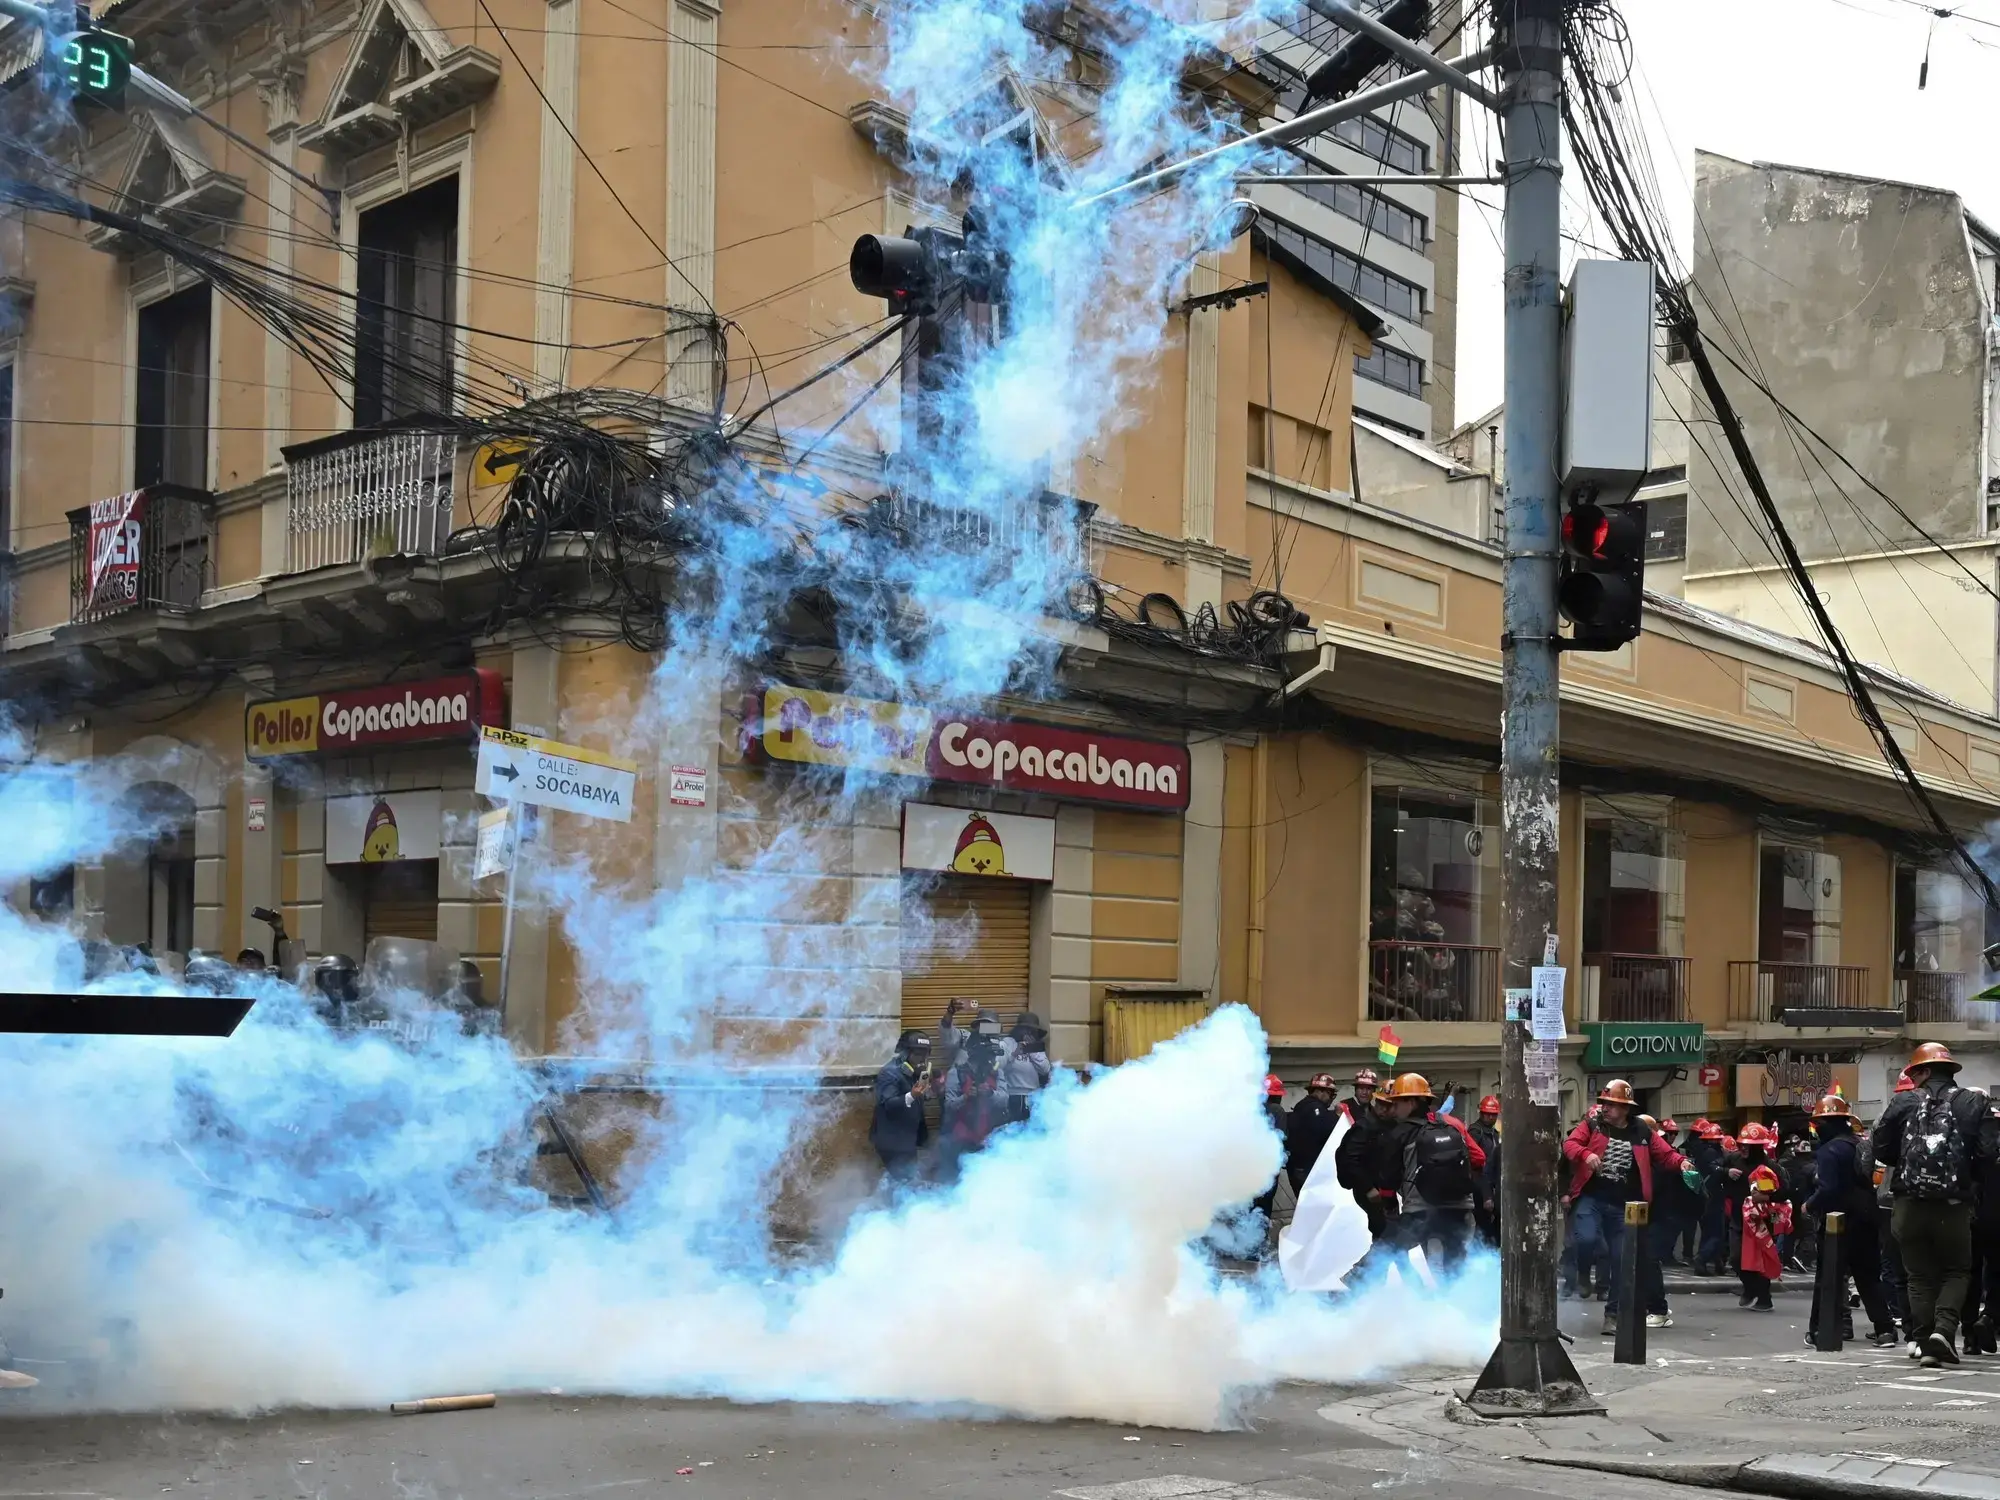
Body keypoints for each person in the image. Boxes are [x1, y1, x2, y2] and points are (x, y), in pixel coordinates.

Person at [1874, 1041, 1999, 1367]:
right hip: (1954, 1205)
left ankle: (1923, 1336)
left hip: (1908, 1203)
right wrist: (1966, 1183)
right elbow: (1988, 1154)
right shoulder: (1974, 1102)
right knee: (1957, 1270)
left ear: (1924, 1071)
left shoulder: (1902, 1102)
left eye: (1914, 1073)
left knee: (1918, 1275)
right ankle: (1943, 1331)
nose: (1912, 1080)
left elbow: (1882, 1150)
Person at [1563, 1079, 1702, 1335]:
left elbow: (1665, 1154)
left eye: (1612, 1105)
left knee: (1620, 1261)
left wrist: (1682, 1162)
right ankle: (1583, 1274)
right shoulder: (1592, 1124)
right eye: (1604, 1103)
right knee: (1585, 1239)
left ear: (1625, 1108)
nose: (1606, 1108)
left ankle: (1612, 1316)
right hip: (1591, 1198)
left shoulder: (1641, 1131)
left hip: (1622, 1206)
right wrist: (1586, 1154)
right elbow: (1570, 1145)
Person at [1805, 1091, 1899, 1347]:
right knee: (1868, 1277)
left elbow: (1828, 1189)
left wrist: (1808, 1206)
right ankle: (1885, 1330)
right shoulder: (1860, 1144)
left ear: (1823, 1124)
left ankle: (1821, 1330)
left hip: (1838, 1223)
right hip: (1868, 1218)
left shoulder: (1828, 1151)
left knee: (1829, 1278)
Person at [1382, 1072, 1485, 1276]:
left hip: (1421, 1211)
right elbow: (1479, 1158)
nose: (1393, 1109)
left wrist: (1389, 1209)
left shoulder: (1399, 1133)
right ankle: (1456, 1303)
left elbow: (1388, 1179)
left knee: (1384, 1250)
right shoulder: (1451, 1124)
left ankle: (1345, 1291)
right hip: (1461, 1209)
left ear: (1411, 1102)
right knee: (1455, 1270)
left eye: (1396, 1103)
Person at [870, 1030, 933, 1184]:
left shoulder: (916, 1073)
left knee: (908, 1179)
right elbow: (888, 1104)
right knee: (904, 1181)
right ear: (905, 1053)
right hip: (892, 1141)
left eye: (924, 1055)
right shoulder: (889, 1073)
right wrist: (912, 1095)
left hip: (908, 1139)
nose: (921, 1060)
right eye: (917, 1054)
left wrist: (926, 1094)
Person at [1740, 1165, 1792, 1311]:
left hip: (1763, 1222)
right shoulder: (1736, 1162)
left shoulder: (1773, 1168)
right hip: (1749, 1222)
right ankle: (1753, 1292)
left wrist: (1766, 1198)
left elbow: (1785, 1191)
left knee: (1763, 1260)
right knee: (1742, 1259)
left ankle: (1763, 1298)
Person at [1286, 1073, 1341, 1194]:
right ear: (1321, 1091)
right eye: (1331, 1094)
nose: (1332, 1098)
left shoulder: (1300, 1106)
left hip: (1296, 1167)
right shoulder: (1316, 1110)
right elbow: (1326, 1132)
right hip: (1308, 1169)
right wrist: (1337, 1116)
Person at [999, 1010, 1054, 1122]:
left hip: (1032, 1095)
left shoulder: (1037, 1047)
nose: (1028, 1033)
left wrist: (1032, 1050)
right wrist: (1014, 1053)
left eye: (1031, 1030)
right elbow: (999, 1065)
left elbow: (1045, 1069)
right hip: (1011, 1094)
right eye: (1026, 1029)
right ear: (1019, 1029)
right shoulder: (1007, 1043)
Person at [1468, 1095, 1501, 1246]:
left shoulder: (1494, 1134)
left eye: (1493, 1114)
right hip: (1478, 1183)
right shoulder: (1475, 1132)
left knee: (1491, 1226)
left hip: (1492, 1183)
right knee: (1482, 1225)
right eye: (1487, 1114)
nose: (1490, 1117)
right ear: (1481, 1113)